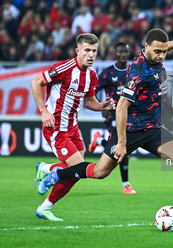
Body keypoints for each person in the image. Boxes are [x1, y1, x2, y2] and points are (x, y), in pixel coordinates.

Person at [37, 28, 173, 228]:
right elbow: (121, 106)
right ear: (146, 48)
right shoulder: (138, 73)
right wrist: (121, 142)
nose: (161, 55)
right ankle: (58, 174)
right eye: (158, 52)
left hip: (153, 128)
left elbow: (163, 45)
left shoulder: (155, 52)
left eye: (163, 51)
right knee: (100, 172)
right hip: (131, 130)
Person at [30, 33, 115, 221]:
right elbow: (36, 82)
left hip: (73, 128)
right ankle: (48, 175)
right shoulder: (65, 68)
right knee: (78, 167)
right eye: (87, 50)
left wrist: (102, 106)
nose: (91, 55)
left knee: (76, 173)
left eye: (94, 51)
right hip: (55, 128)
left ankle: (45, 195)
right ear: (78, 51)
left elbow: (90, 100)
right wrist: (44, 111)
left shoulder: (91, 75)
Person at [88, 42, 136, 194]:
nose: (123, 55)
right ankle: (126, 185)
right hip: (113, 114)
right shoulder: (108, 73)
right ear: (115, 53)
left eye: (125, 52)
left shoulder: (133, 71)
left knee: (120, 146)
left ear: (128, 54)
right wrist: (101, 106)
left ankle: (98, 141)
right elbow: (92, 90)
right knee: (123, 147)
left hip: (130, 114)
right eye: (120, 52)